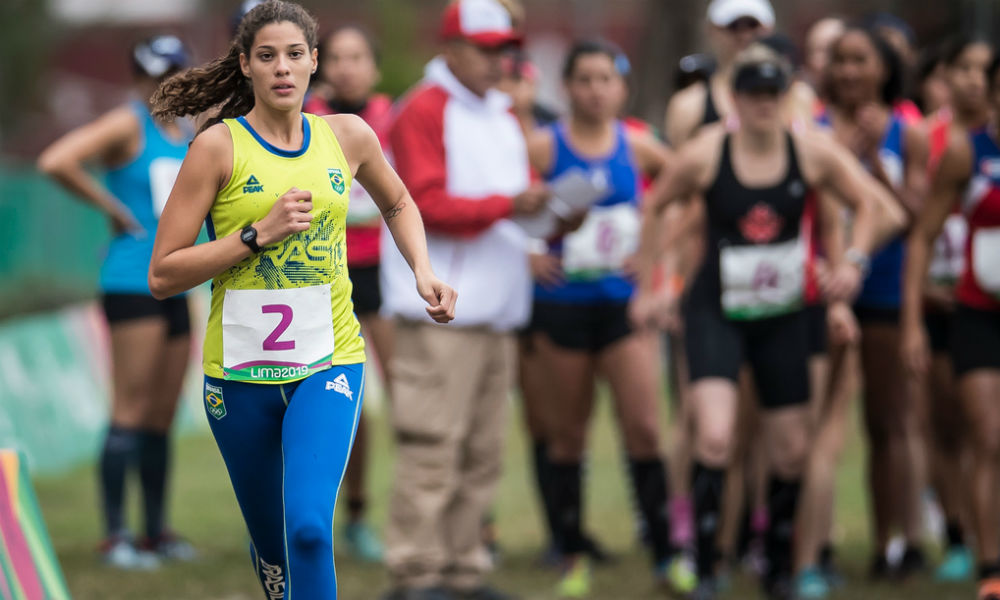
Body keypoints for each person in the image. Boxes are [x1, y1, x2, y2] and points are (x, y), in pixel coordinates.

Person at [146, 2, 456, 598]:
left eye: (294, 55)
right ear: (246, 66)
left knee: (310, 529)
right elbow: (163, 273)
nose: (282, 68)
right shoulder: (217, 148)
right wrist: (254, 235)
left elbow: (397, 202)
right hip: (238, 374)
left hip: (329, 359)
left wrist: (422, 270)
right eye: (267, 57)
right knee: (274, 554)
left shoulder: (348, 135)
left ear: (315, 62)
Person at [632, 44, 902, 600]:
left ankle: (778, 565)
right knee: (713, 436)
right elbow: (658, 206)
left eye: (771, 94)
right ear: (735, 99)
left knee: (791, 450)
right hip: (716, 310)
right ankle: (706, 566)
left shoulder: (811, 152)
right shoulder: (709, 153)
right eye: (752, 94)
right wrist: (655, 286)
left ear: (786, 98)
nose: (762, 105)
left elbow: (870, 205)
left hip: (784, 314)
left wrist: (851, 264)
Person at [379, 1, 547, 598]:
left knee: (480, 454)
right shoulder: (426, 107)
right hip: (440, 310)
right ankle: (415, 572)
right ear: (451, 48)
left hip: (495, 306)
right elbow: (420, 204)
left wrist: (548, 215)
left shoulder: (500, 110)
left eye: (506, 48)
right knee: (432, 448)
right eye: (486, 48)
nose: (500, 59)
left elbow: (503, 205)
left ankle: (461, 569)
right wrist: (512, 205)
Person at [523, 39, 694, 598]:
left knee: (645, 427)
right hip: (562, 309)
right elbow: (504, 205)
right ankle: (573, 554)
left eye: (606, 80)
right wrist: (528, 252)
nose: (596, 91)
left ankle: (668, 555)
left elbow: (689, 198)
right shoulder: (544, 147)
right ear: (567, 87)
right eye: (585, 80)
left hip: (624, 308)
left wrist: (654, 258)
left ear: (621, 88)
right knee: (568, 435)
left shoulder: (640, 145)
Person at [37, 34, 196, 570]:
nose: (164, 85)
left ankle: (156, 531)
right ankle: (116, 536)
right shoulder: (128, 123)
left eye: (174, 74)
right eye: (155, 76)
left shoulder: (187, 131)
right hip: (132, 283)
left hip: (174, 284)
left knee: (160, 414)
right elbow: (57, 160)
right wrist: (112, 207)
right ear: (139, 77)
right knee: (129, 409)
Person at [819, 25, 931, 579]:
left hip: (884, 288)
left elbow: (916, 213)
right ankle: (812, 547)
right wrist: (839, 156)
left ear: (884, 68)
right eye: (840, 60)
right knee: (816, 423)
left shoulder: (906, 132)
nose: (848, 71)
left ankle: (888, 544)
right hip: (826, 289)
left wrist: (875, 166)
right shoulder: (814, 129)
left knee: (886, 422)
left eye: (859, 60)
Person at [901, 49, 1000, 600]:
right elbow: (920, 236)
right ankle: (991, 568)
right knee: (986, 438)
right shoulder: (966, 153)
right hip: (977, 314)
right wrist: (913, 319)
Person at [303, 23, 393, 564]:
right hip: (319, 273)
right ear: (320, 63)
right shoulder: (303, 116)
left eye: (357, 57)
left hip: (381, 275)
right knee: (341, 401)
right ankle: (327, 513)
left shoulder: (393, 118)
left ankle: (391, 515)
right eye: (336, 57)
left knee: (409, 395)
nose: (346, 67)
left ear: (374, 68)